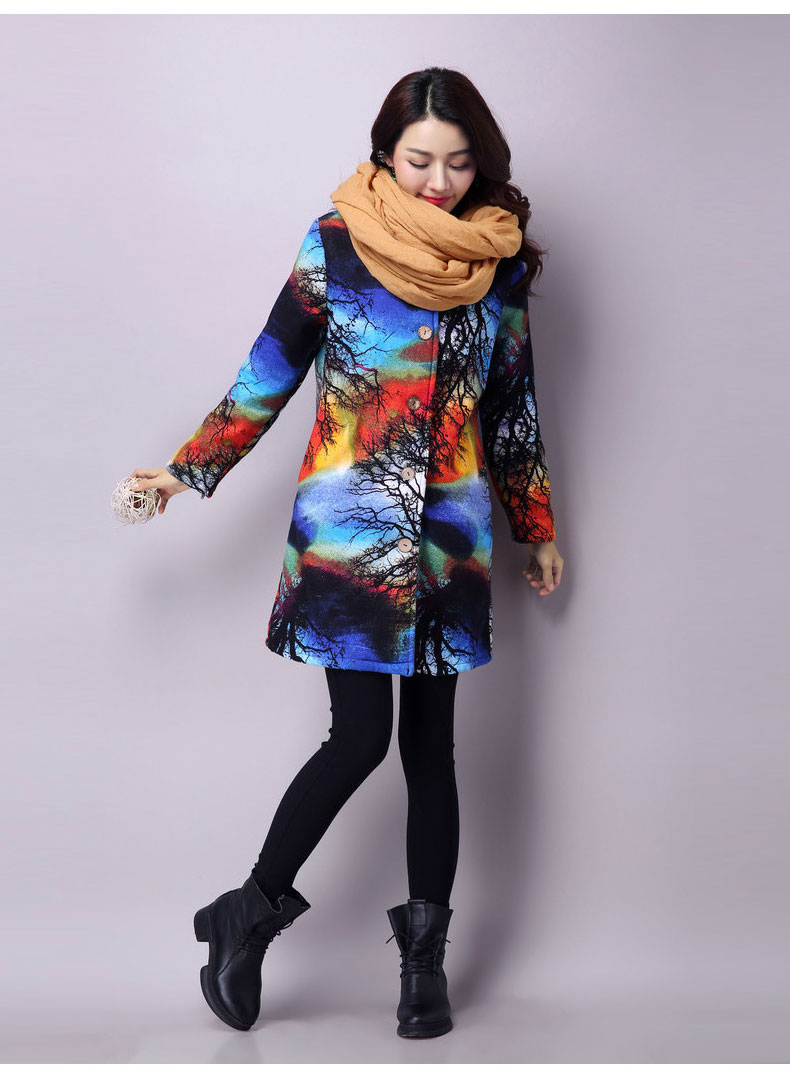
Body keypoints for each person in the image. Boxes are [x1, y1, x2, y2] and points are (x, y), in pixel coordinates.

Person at [128, 66, 564, 1039]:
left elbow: (512, 407)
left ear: (482, 163)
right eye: (420, 160)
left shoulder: (496, 264)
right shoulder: (336, 243)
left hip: (448, 542)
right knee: (359, 736)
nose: (440, 181)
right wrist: (186, 469)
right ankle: (249, 910)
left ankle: (422, 966)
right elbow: (267, 373)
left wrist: (535, 525)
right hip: (348, 541)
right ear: (385, 154)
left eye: (459, 163)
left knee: (432, 748)